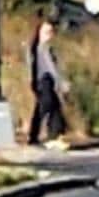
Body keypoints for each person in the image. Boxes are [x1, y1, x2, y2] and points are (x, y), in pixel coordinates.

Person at [28, 13, 68, 147]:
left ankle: (54, 134)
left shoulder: (48, 48)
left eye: (50, 32)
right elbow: (50, 68)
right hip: (43, 81)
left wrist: (60, 82)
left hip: (48, 81)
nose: (49, 35)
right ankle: (39, 135)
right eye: (46, 32)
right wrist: (60, 83)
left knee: (53, 107)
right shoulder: (38, 49)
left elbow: (55, 68)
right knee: (45, 106)